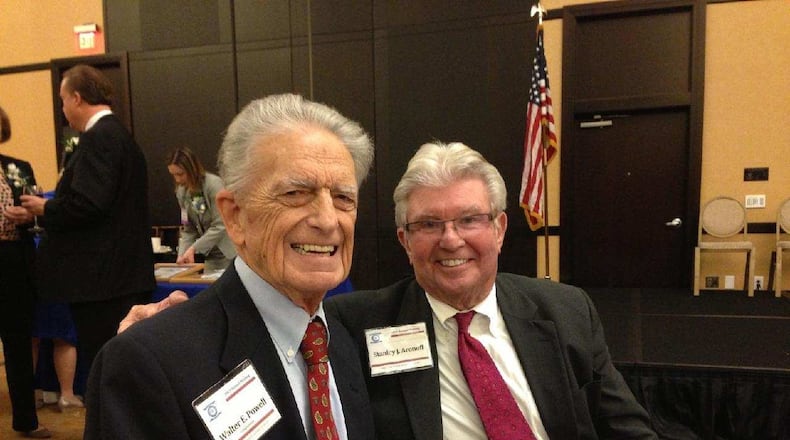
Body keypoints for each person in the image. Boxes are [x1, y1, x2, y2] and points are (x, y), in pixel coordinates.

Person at [85, 94, 376, 439]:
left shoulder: (342, 341)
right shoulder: (151, 363)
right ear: (235, 216)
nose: (328, 220)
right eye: (296, 193)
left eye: (343, 198)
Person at [325, 141, 657, 439]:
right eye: (428, 224)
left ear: (499, 230)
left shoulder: (566, 310)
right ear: (406, 242)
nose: (451, 240)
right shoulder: (355, 325)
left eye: (469, 220)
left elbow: (626, 427)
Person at [20, 64, 155, 389]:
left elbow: (90, 204)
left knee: (107, 367)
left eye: (63, 101)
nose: (63, 110)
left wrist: (45, 208)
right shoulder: (119, 136)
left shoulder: (99, 139)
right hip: (117, 276)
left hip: (102, 282)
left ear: (77, 98)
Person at [0, 105, 51, 438]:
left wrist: (29, 217)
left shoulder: (18, 167)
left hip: (13, 263)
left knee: (18, 344)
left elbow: (39, 211)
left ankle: (26, 421)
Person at [167, 146, 236, 271]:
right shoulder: (182, 192)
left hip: (230, 253)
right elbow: (188, 229)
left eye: (180, 174)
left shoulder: (214, 185)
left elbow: (221, 224)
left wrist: (194, 248)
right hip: (211, 255)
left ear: (192, 169)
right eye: (173, 175)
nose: (177, 179)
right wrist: (182, 255)